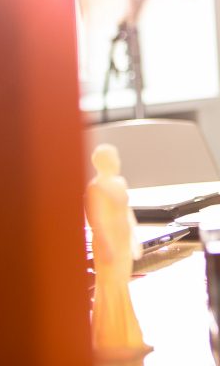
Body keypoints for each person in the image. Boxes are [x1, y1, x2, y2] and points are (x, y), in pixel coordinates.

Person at [85, 144, 151, 358]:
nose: (117, 162)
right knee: (110, 288)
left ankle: (130, 337)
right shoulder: (95, 189)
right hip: (108, 243)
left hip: (122, 241)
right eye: (112, 159)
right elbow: (97, 222)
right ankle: (109, 341)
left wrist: (135, 240)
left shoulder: (120, 183)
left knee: (121, 287)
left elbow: (127, 214)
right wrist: (105, 247)